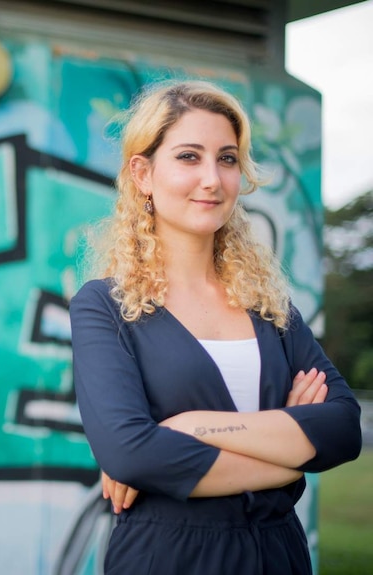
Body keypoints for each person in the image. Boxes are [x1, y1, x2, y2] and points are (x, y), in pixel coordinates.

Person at [69, 79, 362, 575]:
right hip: (169, 557)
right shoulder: (105, 306)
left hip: (279, 555)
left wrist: (187, 428)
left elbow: (341, 428)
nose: (212, 179)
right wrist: (291, 460)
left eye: (227, 159)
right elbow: (132, 454)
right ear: (142, 173)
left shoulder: (267, 305)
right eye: (189, 157)